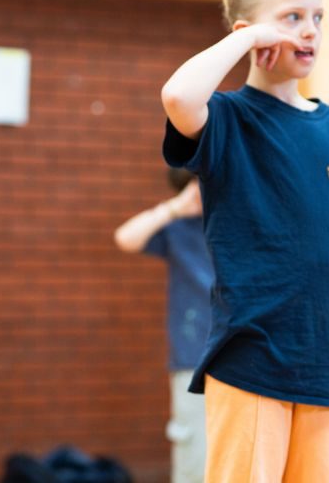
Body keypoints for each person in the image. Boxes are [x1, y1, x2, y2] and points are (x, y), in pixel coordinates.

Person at [159, 0, 329, 482]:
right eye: (292, 18)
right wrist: (252, 39)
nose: (311, 30)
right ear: (249, 33)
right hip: (253, 357)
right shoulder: (226, 118)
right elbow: (177, 96)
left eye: (318, 17)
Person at [114, 168, 215, 483]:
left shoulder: (239, 223)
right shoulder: (179, 227)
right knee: (193, 459)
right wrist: (173, 208)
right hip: (193, 358)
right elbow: (125, 238)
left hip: (243, 359)